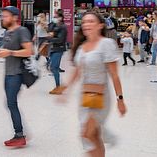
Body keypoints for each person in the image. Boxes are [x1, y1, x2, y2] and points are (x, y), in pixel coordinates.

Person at [62, 11, 126, 157]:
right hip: (84, 97)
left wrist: (120, 100)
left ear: (100, 25)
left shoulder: (106, 44)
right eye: (84, 22)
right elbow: (78, 72)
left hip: (100, 97)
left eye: (91, 21)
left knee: (87, 133)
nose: (86, 24)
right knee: (93, 135)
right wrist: (66, 89)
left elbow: (114, 75)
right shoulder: (81, 47)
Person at [0, 6, 32, 148]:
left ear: (15, 17)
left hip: (16, 74)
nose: (3, 18)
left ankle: (20, 135)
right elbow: (7, 49)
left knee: (11, 103)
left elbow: (29, 51)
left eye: (6, 16)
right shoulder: (7, 32)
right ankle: (21, 132)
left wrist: (9, 52)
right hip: (8, 73)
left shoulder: (21, 31)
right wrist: (0, 51)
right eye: (2, 16)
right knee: (10, 103)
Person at [47, 11, 68, 95]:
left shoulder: (63, 27)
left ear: (61, 18)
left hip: (59, 48)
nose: (54, 18)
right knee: (52, 67)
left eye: (56, 17)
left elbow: (60, 39)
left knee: (54, 67)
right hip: (54, 48)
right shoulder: (57, 26)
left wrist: (50, 39)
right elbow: (49, 29)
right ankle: (58, 86)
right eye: (54, 17)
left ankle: (58, 87)